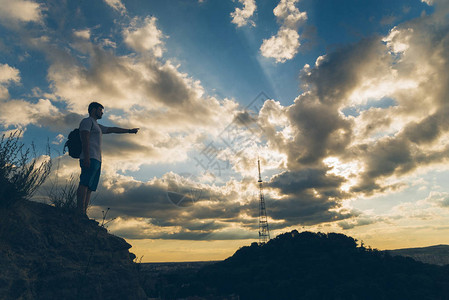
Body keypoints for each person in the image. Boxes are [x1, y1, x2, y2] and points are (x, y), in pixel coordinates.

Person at [76, 102, 139, 215]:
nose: (102, 113)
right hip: (89, 157)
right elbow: (85, 139)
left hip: (97, 159)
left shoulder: (97, 126)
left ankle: (83, 213)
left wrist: (129, 131)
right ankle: (79, 211)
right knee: (84, 183)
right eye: (100, 110)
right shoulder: (87, 122)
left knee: (90, 187)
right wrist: (86, 157)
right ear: (93, 110)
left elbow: (112, 129)